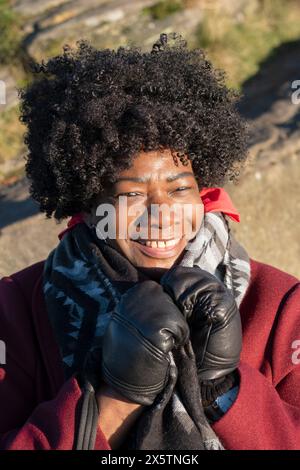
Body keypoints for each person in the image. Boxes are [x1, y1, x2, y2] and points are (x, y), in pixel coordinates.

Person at [0, 32, 299, 451]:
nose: (162, 215)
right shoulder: (15, 310)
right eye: (131, 194)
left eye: (179, 189)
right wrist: (118, 398)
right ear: (88, 201)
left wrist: (221, 390)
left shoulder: (280, 304)